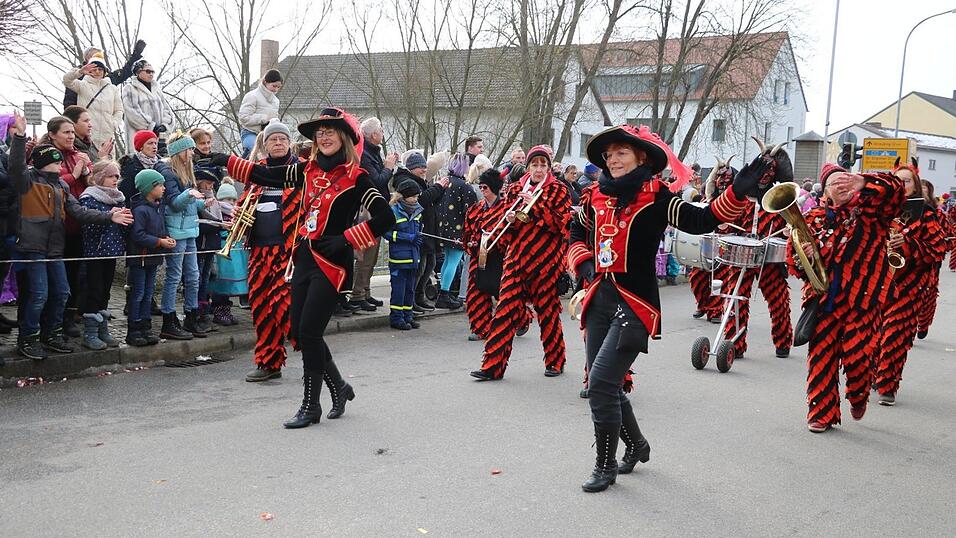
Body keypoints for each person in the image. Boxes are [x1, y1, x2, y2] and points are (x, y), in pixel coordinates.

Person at [566, 124, 757, 492]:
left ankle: (604, 465)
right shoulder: (594, 196)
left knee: (602, 386)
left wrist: (738, 188)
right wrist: (585, 264)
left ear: (640, 157)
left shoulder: (657, 196)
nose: (613, 159)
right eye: (609, 155)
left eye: (621, 152)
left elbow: (701, 220)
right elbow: (575, 231)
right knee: (606, 384)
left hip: (635, 305)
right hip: (598, 302)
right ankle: (637, 446)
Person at [210, 107, 395, 428]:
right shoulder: (306, 170)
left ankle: (311, 406)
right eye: (319, 132)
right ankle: (339, 386)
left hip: (332, 265)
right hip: (303, 260)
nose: (323, 136)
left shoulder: (357, 177)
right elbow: (266, 175)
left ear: (344, 138)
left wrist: (347, 239)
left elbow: (385, 217)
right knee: (298, 331)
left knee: (309, 332)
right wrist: (224, 159)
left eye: (330, 131)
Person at [7, 112, 133, 359]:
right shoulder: (28, 181)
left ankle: (52, 333)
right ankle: (28, 336)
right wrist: (20, 137)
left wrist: (110, 216)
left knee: (62, 292)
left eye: (58, 162)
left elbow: (79, 211)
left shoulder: (61, 186)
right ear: (42, 163)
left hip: (55, 248)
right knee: (39, 293)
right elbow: (16, 167)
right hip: (33, 248)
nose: (58, 166)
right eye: (54, 163)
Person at [789, 163, 904, 432]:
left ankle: (858, 394)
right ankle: (821, 412)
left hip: (863, 301)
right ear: (826, 191)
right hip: (824, 301)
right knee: (822, 357)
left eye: (846, 182)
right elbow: (794, 265)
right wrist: (802, 255)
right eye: (836, 184)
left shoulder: (873, 213)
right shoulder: (813, 218)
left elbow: (896, 192)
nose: (843, 187)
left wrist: (863, 182)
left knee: (860, 359)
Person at [470, 145, 571, 381]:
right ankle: (493, 366)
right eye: (534, 165)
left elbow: (560, 224)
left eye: (542, 165)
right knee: (505, 311)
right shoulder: (515, 189)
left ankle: (555, 361)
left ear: (548, 167)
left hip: (546, 262)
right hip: (516, 260)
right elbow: (509, 228)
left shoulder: (558, 190)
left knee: (548, 314)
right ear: (528, 167)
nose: (538, 169)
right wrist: (510, 218)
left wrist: (536, 207)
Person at [873, 160, 946, 407]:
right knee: (875, 334)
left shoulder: (926, 214)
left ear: (915, 186)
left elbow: (938, 250)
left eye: (907, 180)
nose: (902, 184)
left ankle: (887, 386)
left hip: (909, 286)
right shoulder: (880, 210)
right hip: (878, 283)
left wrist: (907, 245)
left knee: (896, 336)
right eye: (898, 180)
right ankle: (875, 374)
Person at [240, 119, 302, 381]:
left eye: (282, 139)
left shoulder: (300, 171)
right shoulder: (257, 172)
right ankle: (268, 362)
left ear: (289, 143)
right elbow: (246, 201)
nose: (277, 143)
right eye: (272, 139)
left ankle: (315, 356)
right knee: (261, 306)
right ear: (265, 145)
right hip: (259, 252)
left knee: (287, 307)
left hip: (289, 253)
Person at [715, 157, 793, 359]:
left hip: (769, 257)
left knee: (779, 301)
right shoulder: (741, 198)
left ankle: (783, 341)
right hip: (743, 255)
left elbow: (793, 224)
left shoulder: (780, 198)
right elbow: (727, 221)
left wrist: (788, 230)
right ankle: (734, 343)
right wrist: (723, 226)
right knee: (734, 299)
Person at [461, 168, 533, 342]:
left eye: (485, 187)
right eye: (481, 187)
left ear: (493, 187)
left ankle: (522, 318)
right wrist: (470, 242)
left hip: (502, 256)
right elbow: (468, 230)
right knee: (476, 292)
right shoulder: (475, 209)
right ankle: (481, 328)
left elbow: (519, 230)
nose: (482, 190)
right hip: (480, 256)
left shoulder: (507, 208)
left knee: (505, 294)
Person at [155, 132, 213, 340]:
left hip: (190, 229)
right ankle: (168, 320)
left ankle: (191, 315)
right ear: (179, 151)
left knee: (193, 276)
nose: (192, 152)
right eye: (188, 149)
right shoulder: (168, 172)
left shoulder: (187, 172)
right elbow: (174, 203)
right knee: (174, 275)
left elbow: (188, 205)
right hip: (176, 230)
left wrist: (201, 203)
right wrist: (189, 195)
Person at [77, 160, 126, 350]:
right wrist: (109, 214)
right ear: (99, 177)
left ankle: (103, 328)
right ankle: (90, 332)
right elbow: (88, 225)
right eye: (111, 176)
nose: (115, 179)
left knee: (105, 290)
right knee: (94, 290)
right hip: (95, 252)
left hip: (112, 251)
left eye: (116, 176)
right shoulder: (89, 197)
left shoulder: (119, 197)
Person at [353, 117, 397, 311]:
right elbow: (377, 182)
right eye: (381, 130)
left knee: (372, 255)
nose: (383, 133)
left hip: (376, 209)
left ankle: (366, 290)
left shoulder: (372, 153)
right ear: (373, 135)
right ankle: (357, 294)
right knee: (365, 255)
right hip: (367, 210)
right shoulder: (365, 155)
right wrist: (388, 167)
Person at [394, 151, 447, 314]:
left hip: (427, 229)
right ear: (410, 168)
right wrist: (438, 187)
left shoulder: (419, 180)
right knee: (420, 267)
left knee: (429, 264)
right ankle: (411, 302)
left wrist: (439, 189)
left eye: (424, 166)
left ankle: (419, 296)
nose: (424, 170)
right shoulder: (405, 181)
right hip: (417, 231)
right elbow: (422, 200)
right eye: (419, 167)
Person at [126, 169, 170, 347]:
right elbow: (138, 235)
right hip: (141, 257)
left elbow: (160, 228)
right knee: (138, 293)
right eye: (159, 185)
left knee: (149, 293)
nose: (163, 188)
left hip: (153, 257)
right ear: (148, 188)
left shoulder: (158, 208)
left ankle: (146, 326)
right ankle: (134, 329)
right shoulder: (140, 210)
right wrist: (159, 241)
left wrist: (166, 238)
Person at [434, 153, 477, 309]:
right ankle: (444, 293)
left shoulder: (444, 182)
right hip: (458, 231)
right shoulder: (465, 187)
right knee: (453, 261)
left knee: (447, 260)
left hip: (442, 229)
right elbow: (471, 211)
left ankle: (443, 292)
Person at [62, 53, 124, 150]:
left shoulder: (112, 89)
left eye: (100, 69)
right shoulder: (82, 85)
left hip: (107, 133)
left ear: (105, 71)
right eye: (94, 69)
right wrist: (79, 72)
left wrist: (114, 124)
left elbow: (119, 110)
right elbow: (66, 80)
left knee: (107, 163)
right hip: (87, 133)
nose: (97, 72)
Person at [385, 178, 424, 330]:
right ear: (405, 196)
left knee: (410, 289)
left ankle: (408, 316)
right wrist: (407, 238)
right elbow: (387, 233)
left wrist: (419, 237)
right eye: (413, 196)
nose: (416, 199)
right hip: (399, 259)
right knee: (399, 290)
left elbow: (418, 228)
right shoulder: (393, 210)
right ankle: (396, 318)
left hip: (413, 256)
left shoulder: (418, 210)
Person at [208, 183, 249, 325]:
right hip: (222, 246)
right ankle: (218, 310)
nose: (230, 203)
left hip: (234, 249)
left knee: (230, 282)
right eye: (226, 199)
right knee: (221, 281)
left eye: (232, 200)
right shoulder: (216, 210)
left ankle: (226, 309)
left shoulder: (236, 212)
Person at [63, 41, 145, 109]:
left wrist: (135, 56)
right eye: (95, 56)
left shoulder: (107, 78)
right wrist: (73, 119)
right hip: (84, 121)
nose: (97, 59)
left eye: (100, 57)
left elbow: (124, 73)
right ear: (87, 58)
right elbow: (69, 101)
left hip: (105, 123)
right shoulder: (78, 75)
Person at [915, 178, 948, 339]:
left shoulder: (938, 214)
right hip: (911, 261)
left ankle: (924, 322)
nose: (923, 190)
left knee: (929, 294)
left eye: (925, 188)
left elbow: (947, 234)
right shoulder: (909, 210)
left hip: (932, 261)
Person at [122, 60, 174, 155]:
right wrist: (152, 126)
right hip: (139, 138)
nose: (151, 74)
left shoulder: (157, 89)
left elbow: (166, 110)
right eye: (147, 71)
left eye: (152, 72)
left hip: (159, 139)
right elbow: (132, 112)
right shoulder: (129, 88)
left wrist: (164, 125)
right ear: (138, 72)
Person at [238, 69, 282, 158]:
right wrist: (264, 118)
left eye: (278, 87)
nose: (276, 89)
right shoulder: (252, 96)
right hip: (250, 133)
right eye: (274, 86)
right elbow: (243, 117)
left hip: (266, 135)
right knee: (258, 152)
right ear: (265, 82)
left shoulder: (276, 101)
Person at [119, 130, 160, 206]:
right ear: (141, 146)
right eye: (150, 143)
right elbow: (126, 193)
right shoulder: (129, 165)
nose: (154, 146)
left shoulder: (161, 164)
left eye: (155, 143)